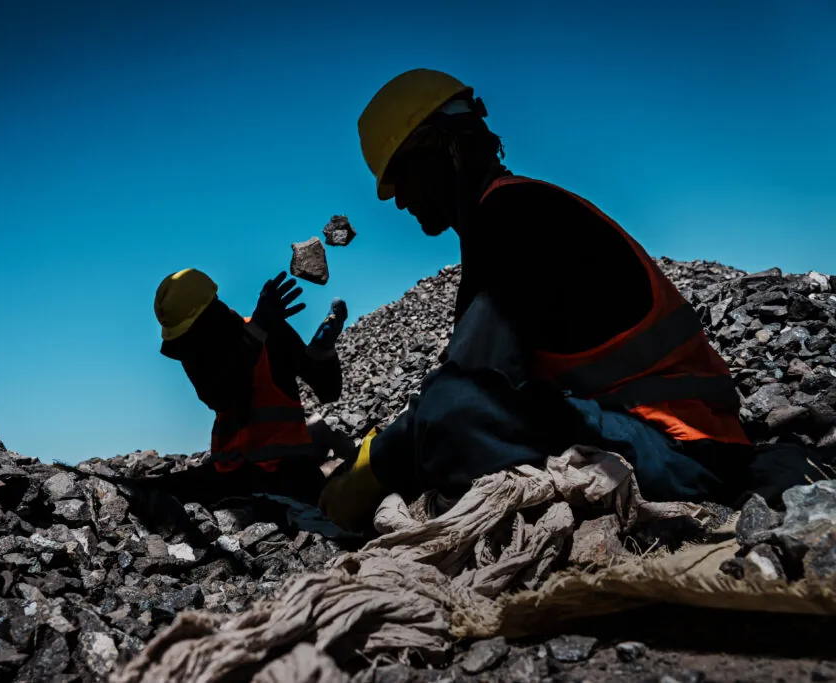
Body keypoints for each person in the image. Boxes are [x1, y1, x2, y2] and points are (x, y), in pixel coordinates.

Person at [319, 68, 759, 529]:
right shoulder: (510, 212)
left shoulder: (512, 217)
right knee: (446, 414)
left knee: (448, 412)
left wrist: (376, 466)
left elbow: (468, 382)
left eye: (400, 177)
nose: (398, 201)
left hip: (680, 450)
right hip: (672, 440)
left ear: (439, 148)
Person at [154, 268, 353, 504]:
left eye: (187, 336)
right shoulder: (200, 354)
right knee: (155, 492)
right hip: (232, 474)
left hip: (290, 476)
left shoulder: (271, 333)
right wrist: (256, 331)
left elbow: (328, 391)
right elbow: (219, 394)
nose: (185, 346)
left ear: (209, 315)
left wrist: (323, 350)